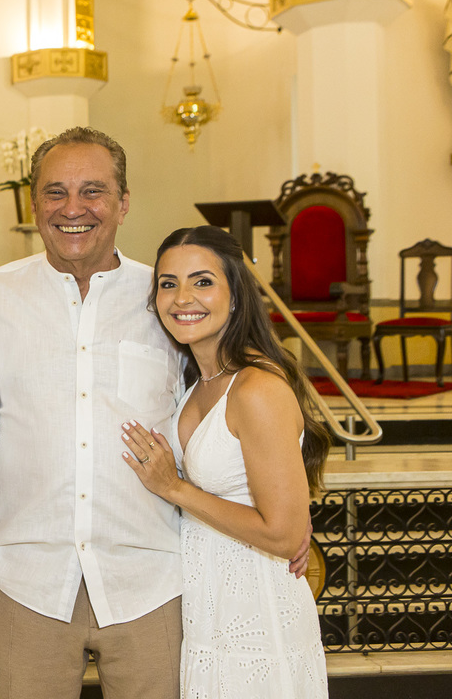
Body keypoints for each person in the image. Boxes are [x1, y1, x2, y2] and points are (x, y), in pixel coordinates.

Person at [0, 126, 188, 699]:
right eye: (55, 192)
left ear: (123, 202)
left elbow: (223, 402)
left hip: (150, 573)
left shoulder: (168, 298)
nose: (73, 209)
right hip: (25, 575)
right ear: (34, 203)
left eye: (93, 191)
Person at [120, 225, 329, 697]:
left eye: (203, 281)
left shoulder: (256, 388)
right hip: (208, 607)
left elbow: (283, 535)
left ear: (236, 295)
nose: (182, 298)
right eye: (168, 284)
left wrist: (174, 487)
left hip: (257, 613)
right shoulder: (198, 380)